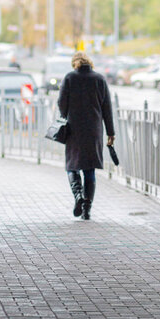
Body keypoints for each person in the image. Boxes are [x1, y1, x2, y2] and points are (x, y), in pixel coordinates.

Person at [58, 52, 115, 220]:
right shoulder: (100, 79)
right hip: (94, 130)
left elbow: (62, 105)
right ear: (89, 63)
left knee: (72, 166)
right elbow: (107, 109)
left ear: (75, 63)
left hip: (74, 129)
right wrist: (110, 133)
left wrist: (67, 112)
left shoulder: (69, 78)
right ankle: (87, 209)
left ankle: (78, 196)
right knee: (89, 169)